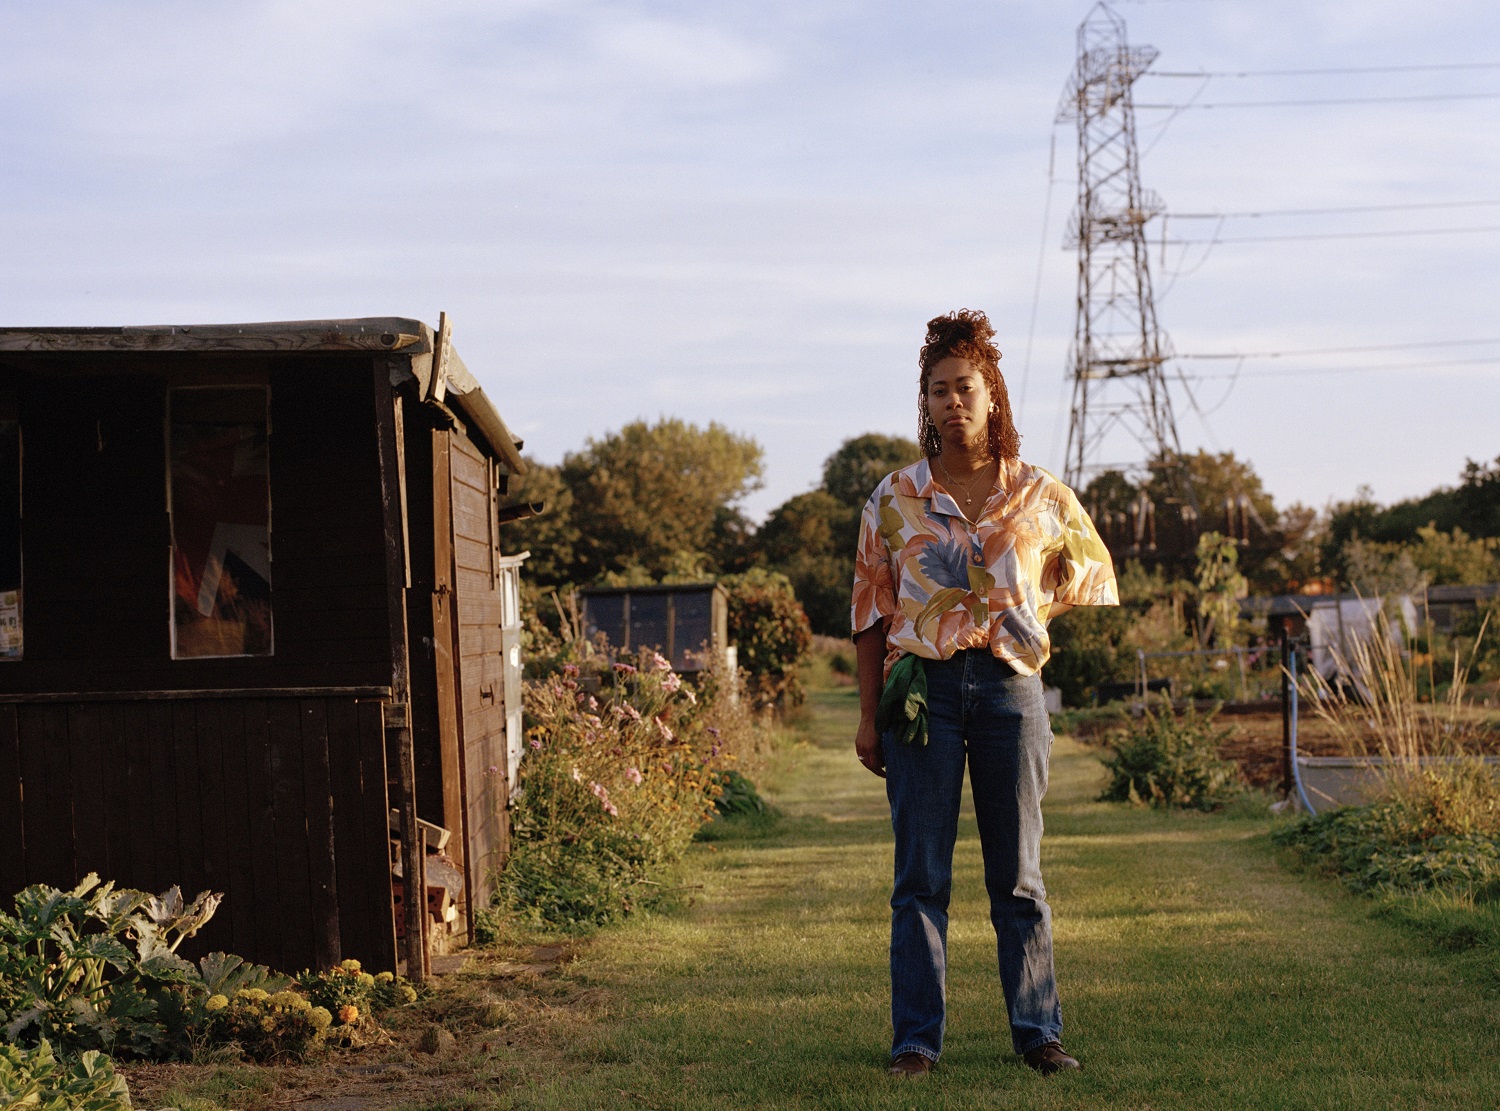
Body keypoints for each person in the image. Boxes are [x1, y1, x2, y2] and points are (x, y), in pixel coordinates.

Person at [850, 309, 1118, 1079]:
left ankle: (1039, 1033)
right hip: (920, 694)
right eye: (937, 390)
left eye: (965, 386)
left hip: (1011, 692)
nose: (951, 401)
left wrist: (1027, 609)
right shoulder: (893, 498)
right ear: (925, 403)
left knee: (1019, 876)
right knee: (919, 877)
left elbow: (1090, 574)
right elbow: (870, 612)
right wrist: (868, 717)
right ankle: (915, 1043)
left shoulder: (1040, 495)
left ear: (992, 394)